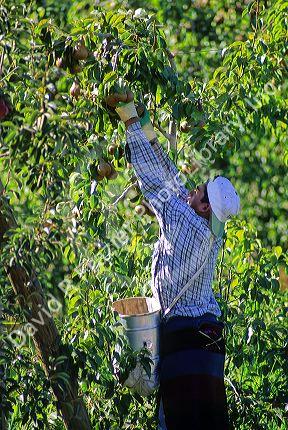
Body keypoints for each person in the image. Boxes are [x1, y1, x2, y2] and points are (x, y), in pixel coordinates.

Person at [106, 90, 240, 430]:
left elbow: (155, 183)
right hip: (207, 342)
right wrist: (148, 130)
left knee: (180, 421)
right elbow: (174, 184)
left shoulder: (185, 221)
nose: (195, 187)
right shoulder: (209, 230)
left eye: (201, 189)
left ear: (206, 206)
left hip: (184, 341)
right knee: (208, 420)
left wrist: (130, 119)